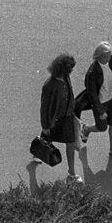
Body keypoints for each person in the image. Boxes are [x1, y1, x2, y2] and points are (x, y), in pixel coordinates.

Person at [79, 42, 112, 162]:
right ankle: (87, 129)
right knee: (102, 127)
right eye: (105, 56)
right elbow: (92, 94)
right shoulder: (93, 71)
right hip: (101, 102)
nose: (107, 59)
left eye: (109, 56)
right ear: (98, 55)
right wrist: (100, 110)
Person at [40, 53, 83, 182]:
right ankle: (37, 151)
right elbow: (44, 108)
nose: (71, 71)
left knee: (70, 143)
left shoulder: (66, 77)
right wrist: (45, 125)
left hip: (67, 116)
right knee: (45, 140)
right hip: (54, 119)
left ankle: (72, 172)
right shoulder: (49, 85)